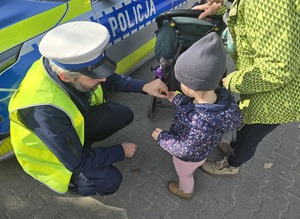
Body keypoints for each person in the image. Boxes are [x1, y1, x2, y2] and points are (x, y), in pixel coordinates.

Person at [8, 21, 170, 196]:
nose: (103, 80)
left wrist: (144, 86)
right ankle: (74, 183)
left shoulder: (61, 63)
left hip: (66, 130)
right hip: (54, 156)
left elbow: (109, 78)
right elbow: (77, 161)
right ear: (67, 77)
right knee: (109, 180)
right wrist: (120, 151)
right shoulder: (45, 111)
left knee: (123, 114)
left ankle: (83, 144)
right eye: (94, 77)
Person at [192, 0, 300, 175]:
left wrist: (234, 81)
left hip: (279, 97)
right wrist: (220, 9)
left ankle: (232, 164)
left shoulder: (267, 4)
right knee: (245, 125)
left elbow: (279, 68)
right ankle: (235, 147)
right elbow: (248, 18)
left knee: (250, 136)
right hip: (263, 86)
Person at [152, 32, 243, 199]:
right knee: (192, 163)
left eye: (182, 82)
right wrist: (178, 98)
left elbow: (185, 150)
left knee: (185, 174)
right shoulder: (219, 99)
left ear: (192, 87)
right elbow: (192, 104)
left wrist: (162, 137)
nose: (180, 84)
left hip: (190, 157)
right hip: (204, 148)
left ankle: (185, 190)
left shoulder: (198, 123)